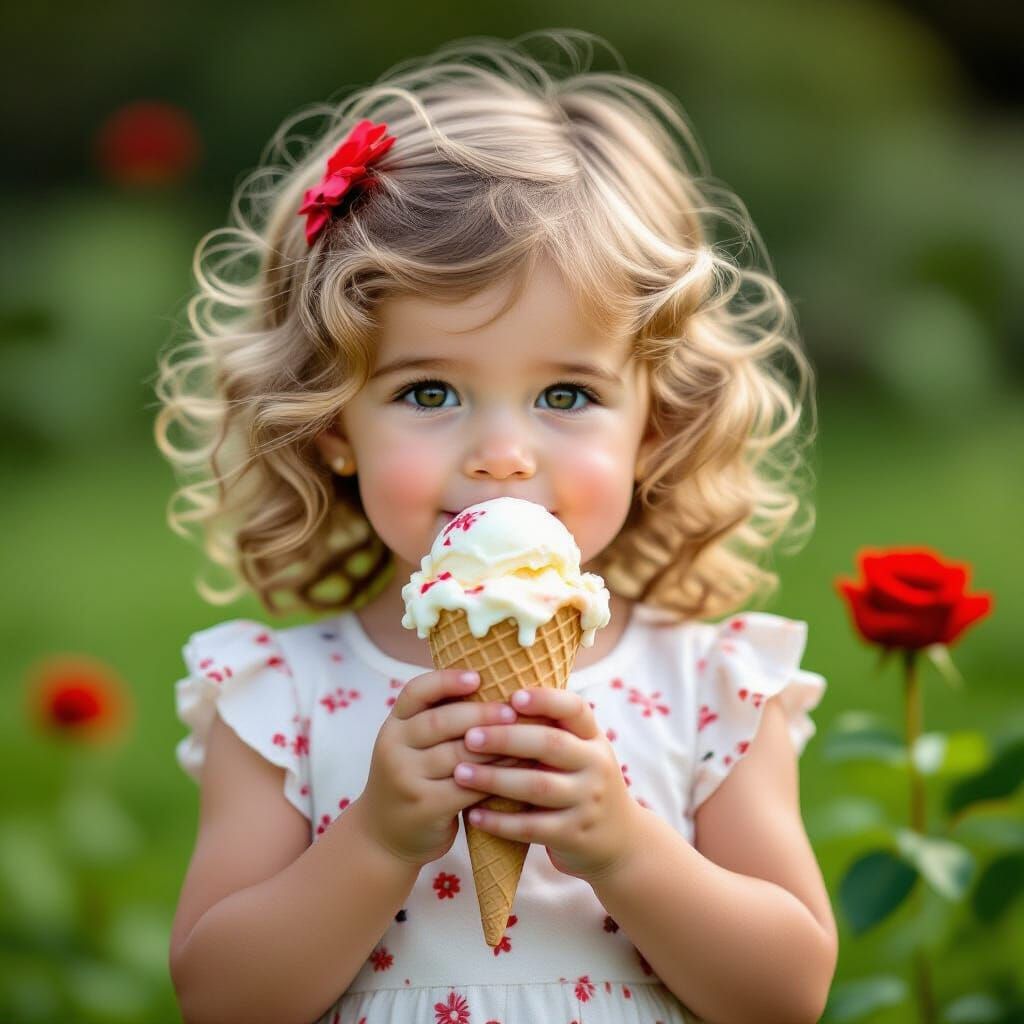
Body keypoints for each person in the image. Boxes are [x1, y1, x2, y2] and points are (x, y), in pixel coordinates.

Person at [156, 28, 837, 1024]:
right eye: (429, 390)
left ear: (657, 424)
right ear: (332, 422)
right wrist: (378, 838)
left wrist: (623, 844)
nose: (503, 452)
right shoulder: (278, 696)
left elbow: (784, 992)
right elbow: (222, 998)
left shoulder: (710, 686)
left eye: (567, 393)